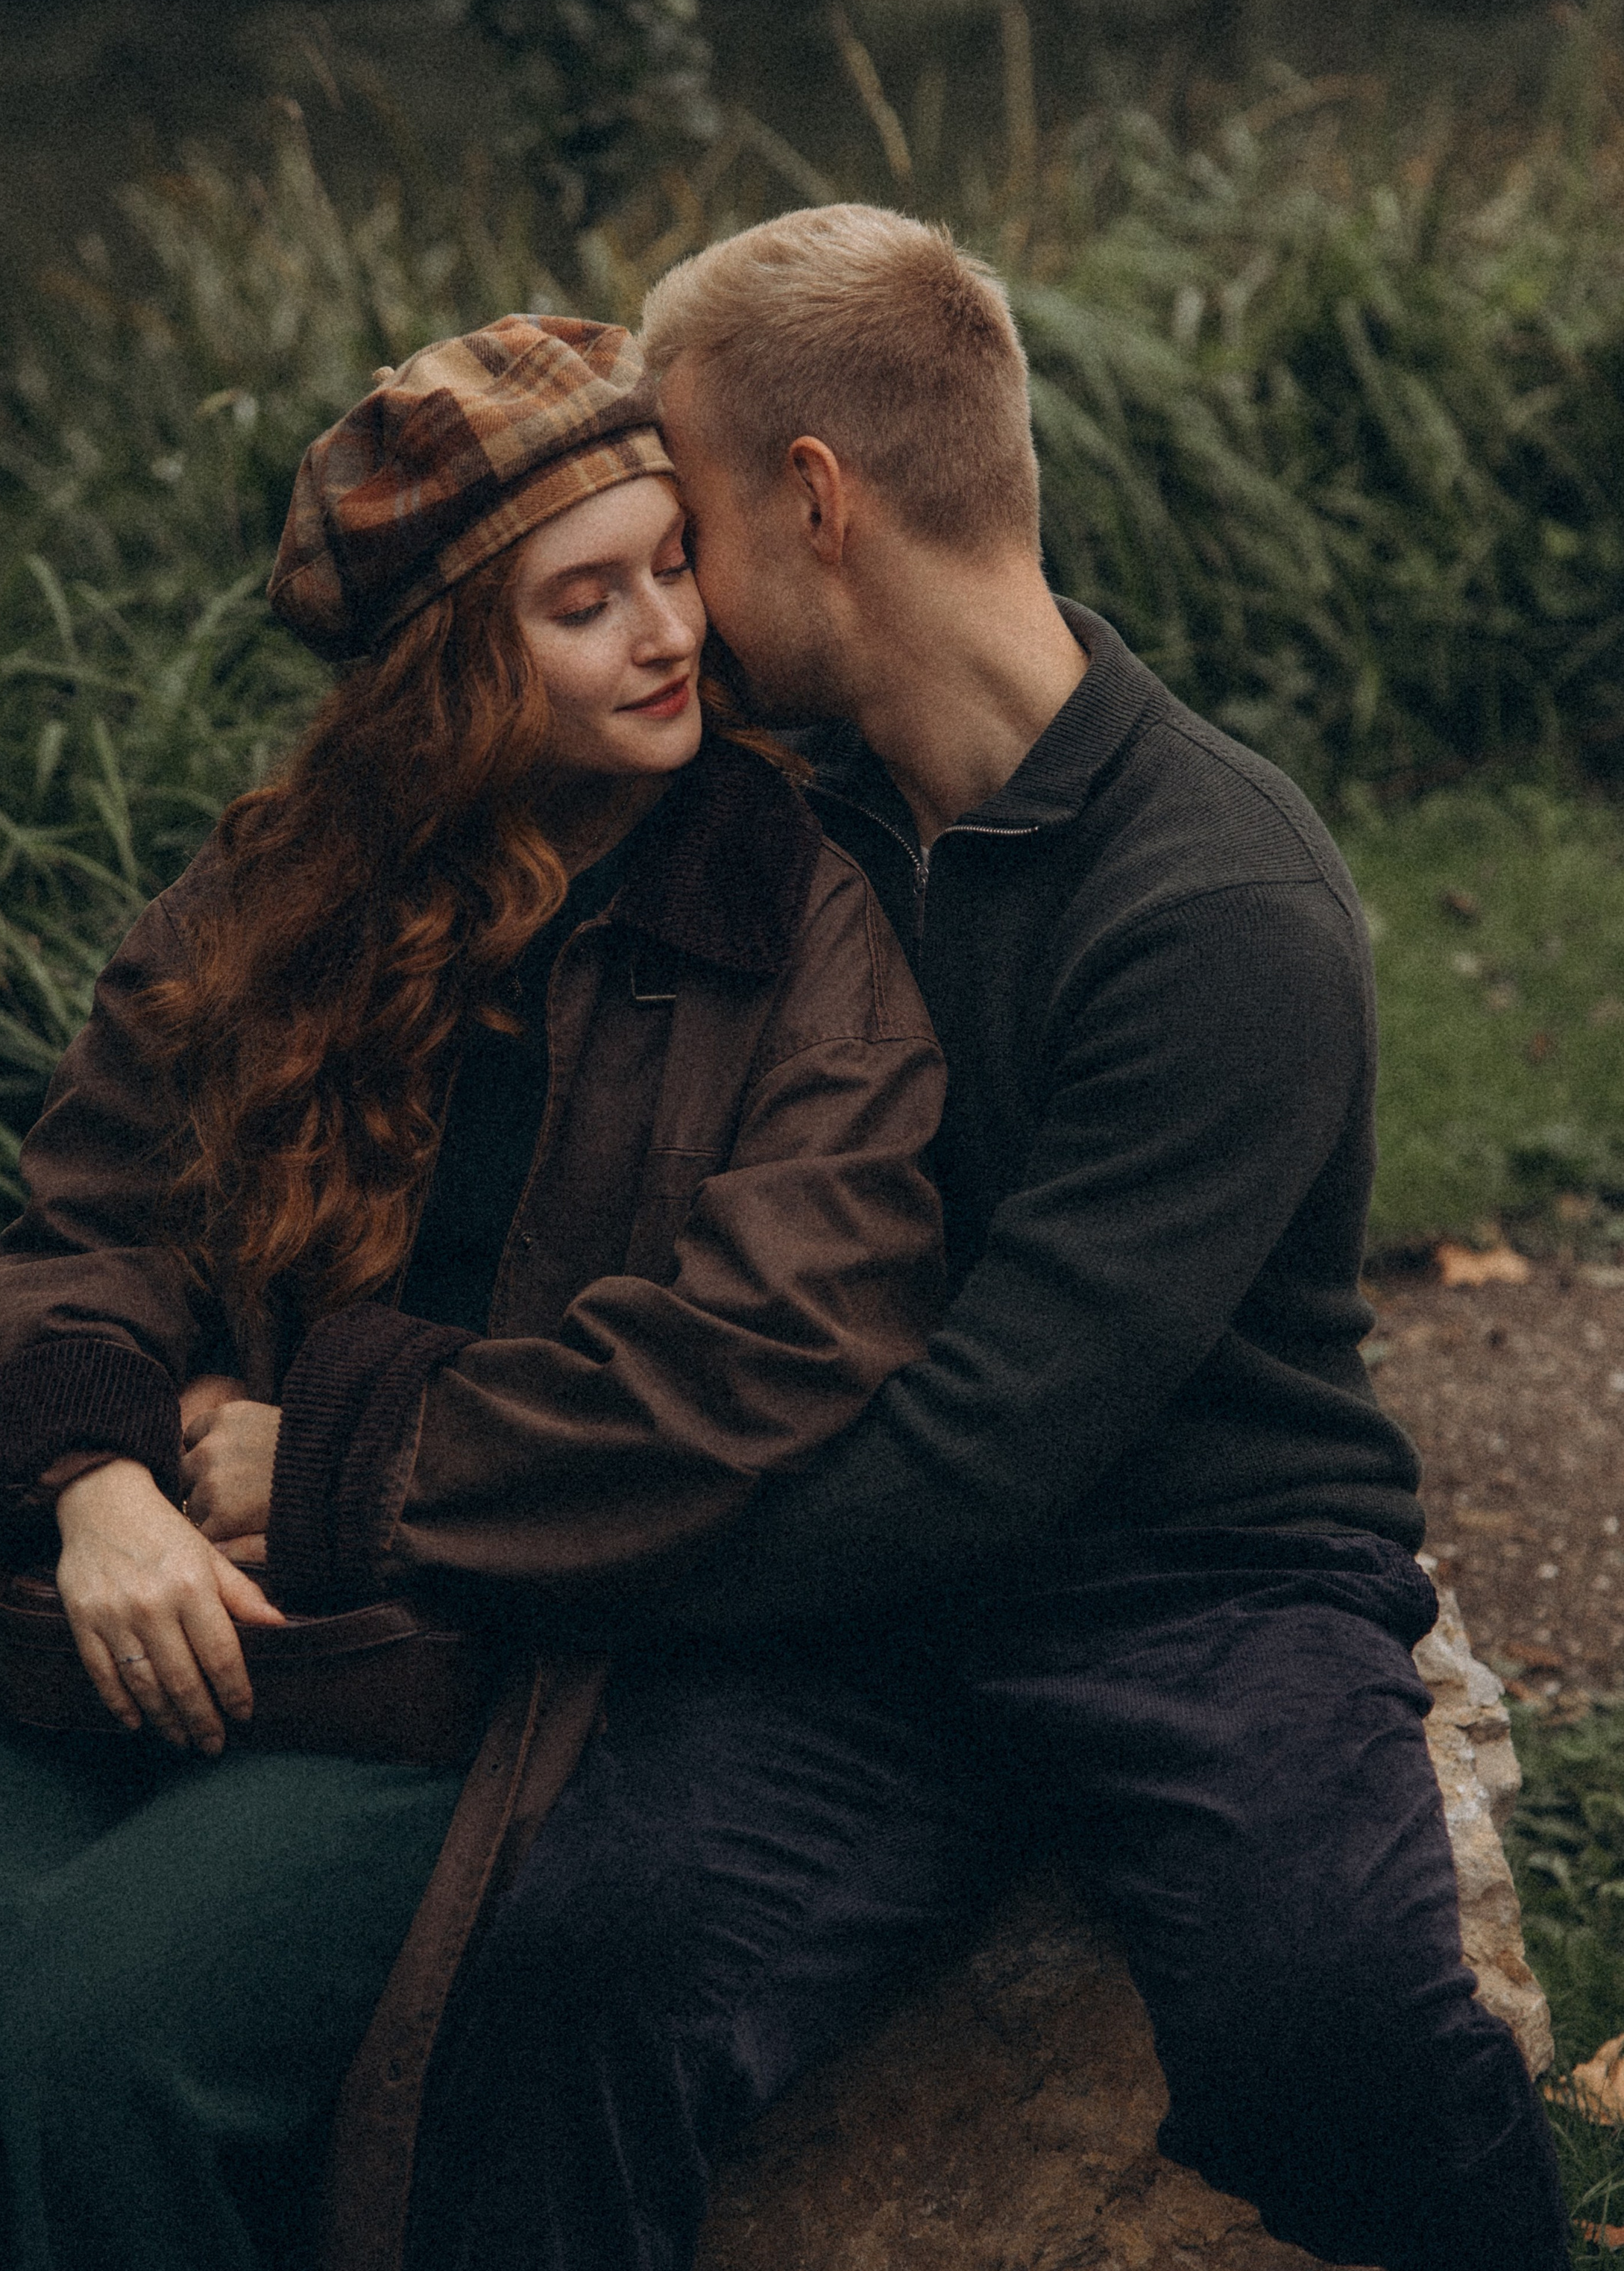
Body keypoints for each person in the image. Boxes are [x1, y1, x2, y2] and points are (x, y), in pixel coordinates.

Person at [390, 213, 1574, 2271]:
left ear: (818, 498)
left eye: (693, 519)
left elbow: (991, 1447)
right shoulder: (787, 815)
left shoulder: (1217, 898)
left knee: (1334, 2020)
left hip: (1199, 1573)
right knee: (585, 1962)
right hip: (871, 1632)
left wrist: (559, 1550)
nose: (673, 587)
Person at [0, 315, 948, 2271]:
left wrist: (330, 1459)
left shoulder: (790, 917)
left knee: (88, 2050)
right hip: (155, 1589)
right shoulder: (279, 892)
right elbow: (96, 1228)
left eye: (670, 569)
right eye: (583, 599)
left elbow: (782, 1341)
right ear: (455, 664)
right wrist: (100, 1491)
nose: (667, 635)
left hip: (469, 1645)